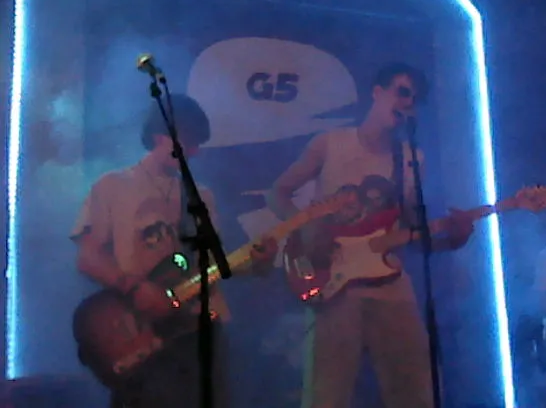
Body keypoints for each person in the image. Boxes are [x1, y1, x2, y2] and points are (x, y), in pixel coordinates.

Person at [266, 63, 475, 408]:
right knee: (327, 396)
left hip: (391, 284)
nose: (408, 103)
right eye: (402, 92)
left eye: (414, 99)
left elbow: (412, 231)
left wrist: (453, 238)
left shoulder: (411, 159)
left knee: (414, 393)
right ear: (377, 92)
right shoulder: (330, 143)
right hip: (335, 282)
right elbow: (278, 193)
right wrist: (306, 227)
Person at [71, 94, 277, 408]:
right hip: (144, 334)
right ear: (160, 135)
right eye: (189, 142)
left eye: (197, 144)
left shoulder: (201, 197)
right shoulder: (112, 186)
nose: (194, 152)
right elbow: (87, 258)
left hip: (199, 330)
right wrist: (134, 287)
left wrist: (256, 264)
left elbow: (213, 266)